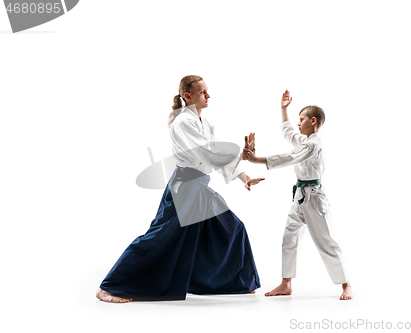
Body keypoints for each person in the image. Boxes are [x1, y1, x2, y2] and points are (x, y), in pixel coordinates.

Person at [96, 75, 264, 302]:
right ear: (188, 96)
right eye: (203, 92)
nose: (208, 95)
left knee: (232, 228)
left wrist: (244, 177)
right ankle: (111, 286)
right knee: (159, 239)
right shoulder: (183, 122)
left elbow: (212, 159)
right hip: (184, 189)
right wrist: (240, 154)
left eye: (207, 91)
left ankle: (237, 282)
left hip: (200, 187)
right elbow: (206, 154)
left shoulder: (207, 124)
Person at [241, 90, 353, 300]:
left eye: (301, 119)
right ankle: (286, 283)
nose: (298, 123)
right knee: (289, 237)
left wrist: (256, 160)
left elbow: (289, 157)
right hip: (300, 197)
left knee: (326, 241)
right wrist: (284, 108)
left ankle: (346, 284)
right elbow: (288, 132)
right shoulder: (305, 140)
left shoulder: (313, 144)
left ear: (313, 121)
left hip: (314, 199)